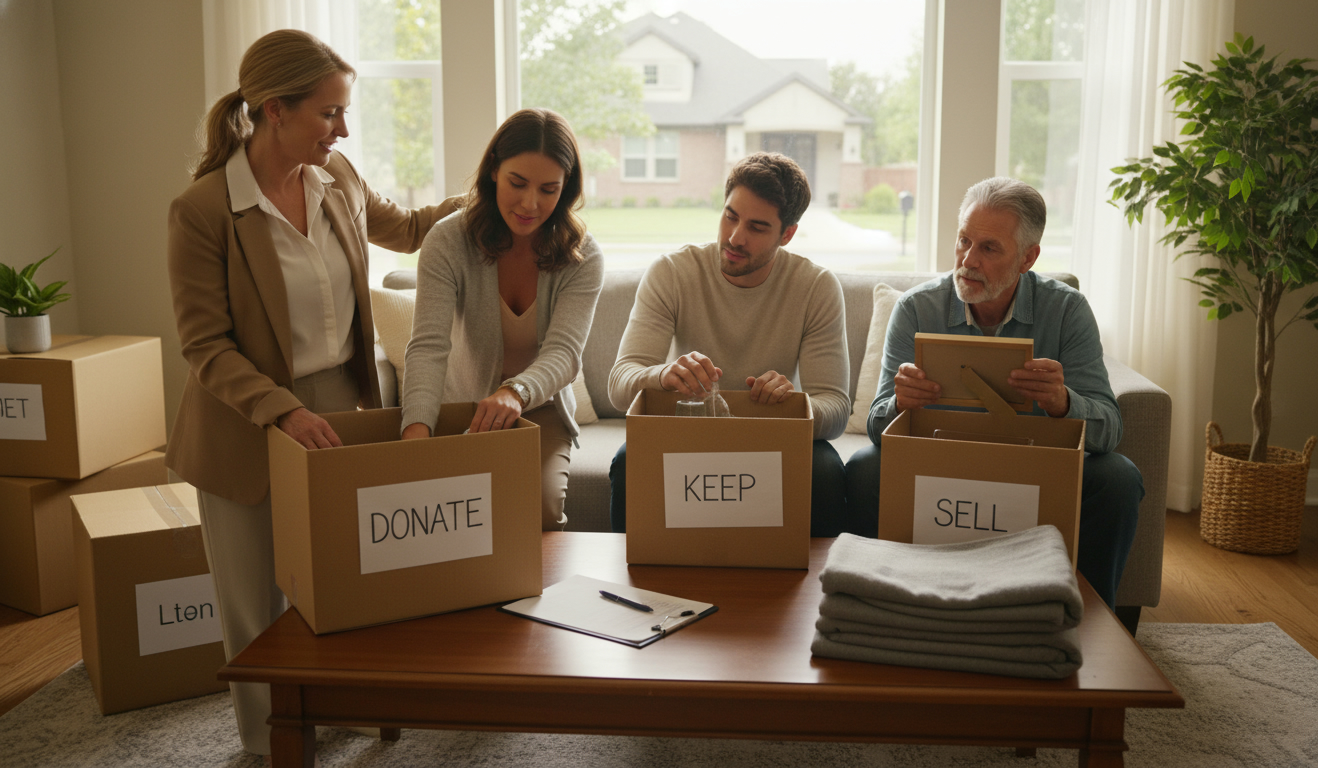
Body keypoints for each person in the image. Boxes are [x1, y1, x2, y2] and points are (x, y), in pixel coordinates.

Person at [165, 29, 462, 760]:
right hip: (247, 418)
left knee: (340, 579)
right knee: (254, 600)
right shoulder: (204, 210)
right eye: (329, 113)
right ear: (274, 110)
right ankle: (272, 743)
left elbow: (413, 229)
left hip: (341, 405)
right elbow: (205, 346)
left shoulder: (340, 181)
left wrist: (497, 188)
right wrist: (284, 410)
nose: (344, 128)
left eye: (344, 112)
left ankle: (348, 704)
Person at [844, 176, 1142, 609]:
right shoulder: (916, 309)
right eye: (964, 240)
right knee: (867, 466)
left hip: (1033, 462)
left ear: (1028, 257)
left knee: (1118, 478)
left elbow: (1109, 429)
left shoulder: (1066, 310)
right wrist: (899, 404)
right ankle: (880, 606)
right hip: (942, 460)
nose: (968, 259)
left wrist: (1062, 403)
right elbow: (877, 426)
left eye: (989, 248)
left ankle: (1091, 623)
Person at [606, 152, 851, 536]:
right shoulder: (672, 273)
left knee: (825, 469)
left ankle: (810, 592)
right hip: (689, 432)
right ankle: (637, 583)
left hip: (771, 437)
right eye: (730, 216)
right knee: (629, 458)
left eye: (757, 227)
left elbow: (835, 408)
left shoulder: (816, 288)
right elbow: (621, 384)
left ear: (786, 234)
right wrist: (664, 375)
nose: (735, 238)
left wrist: (792, 403)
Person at [399, 108, 604, 531]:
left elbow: (565, 354)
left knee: (542, 509)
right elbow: (428, 347)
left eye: (549, 189)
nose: (531, 204)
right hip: (464, 407)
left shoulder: (582, 255)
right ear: (494, 169)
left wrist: (516, 392)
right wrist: (416, 437)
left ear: (566, 189)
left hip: (538, 408)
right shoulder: (447, 240)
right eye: (518, 183)